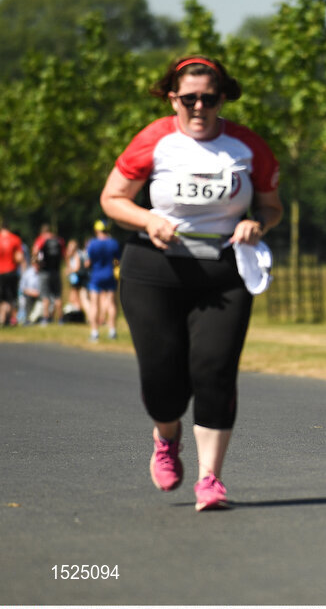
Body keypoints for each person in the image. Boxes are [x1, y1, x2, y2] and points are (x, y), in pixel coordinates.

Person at [99, 54, 283, 512]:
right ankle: (166, 437)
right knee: (163, 379)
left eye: (209, 97)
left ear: (223, 97)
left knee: (215, 370)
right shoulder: (155, 139)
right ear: (172, 97)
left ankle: (210, 479)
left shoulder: (247, 146)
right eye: (189, 98)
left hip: (224, 270)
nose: (199, 107)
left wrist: (256, 224)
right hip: (155, 269)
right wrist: (147, 219)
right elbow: (112, 199)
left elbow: (272, 206)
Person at [86, 220, 122, 341]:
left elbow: (88, 261)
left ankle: (95, 332)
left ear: (97, 230)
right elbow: (118, 259)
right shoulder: (113, 243)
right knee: (111, 303)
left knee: (94, 304)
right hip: (109, 275)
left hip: (96, 275)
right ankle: (112, 331)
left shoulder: (92, 244)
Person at [31, 224, 64, 324]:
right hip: (56, 271)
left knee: (45, 296)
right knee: (57, 295)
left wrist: (36, 262)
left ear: (42, 232)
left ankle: (46, 318)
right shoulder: (59, 240)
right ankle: (60, 319)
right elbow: (64, 254)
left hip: (44, 271)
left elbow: (35, 251)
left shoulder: (41, 239)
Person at [0, 219, 24, 327]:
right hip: (11, 271)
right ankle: (8, 319)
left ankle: (2, 318)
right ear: (9, 228)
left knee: (2, 298)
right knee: (10, 297)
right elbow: (19, 258)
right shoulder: (15, 239)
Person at [64, 239, 90, 322]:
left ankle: (85, 316)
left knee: (80, 299)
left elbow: (77, 268)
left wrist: (69, 270)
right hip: (80, 278)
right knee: (77, 298)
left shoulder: (77, 255)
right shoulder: (80, 253)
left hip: (79, 279)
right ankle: (81, 317)